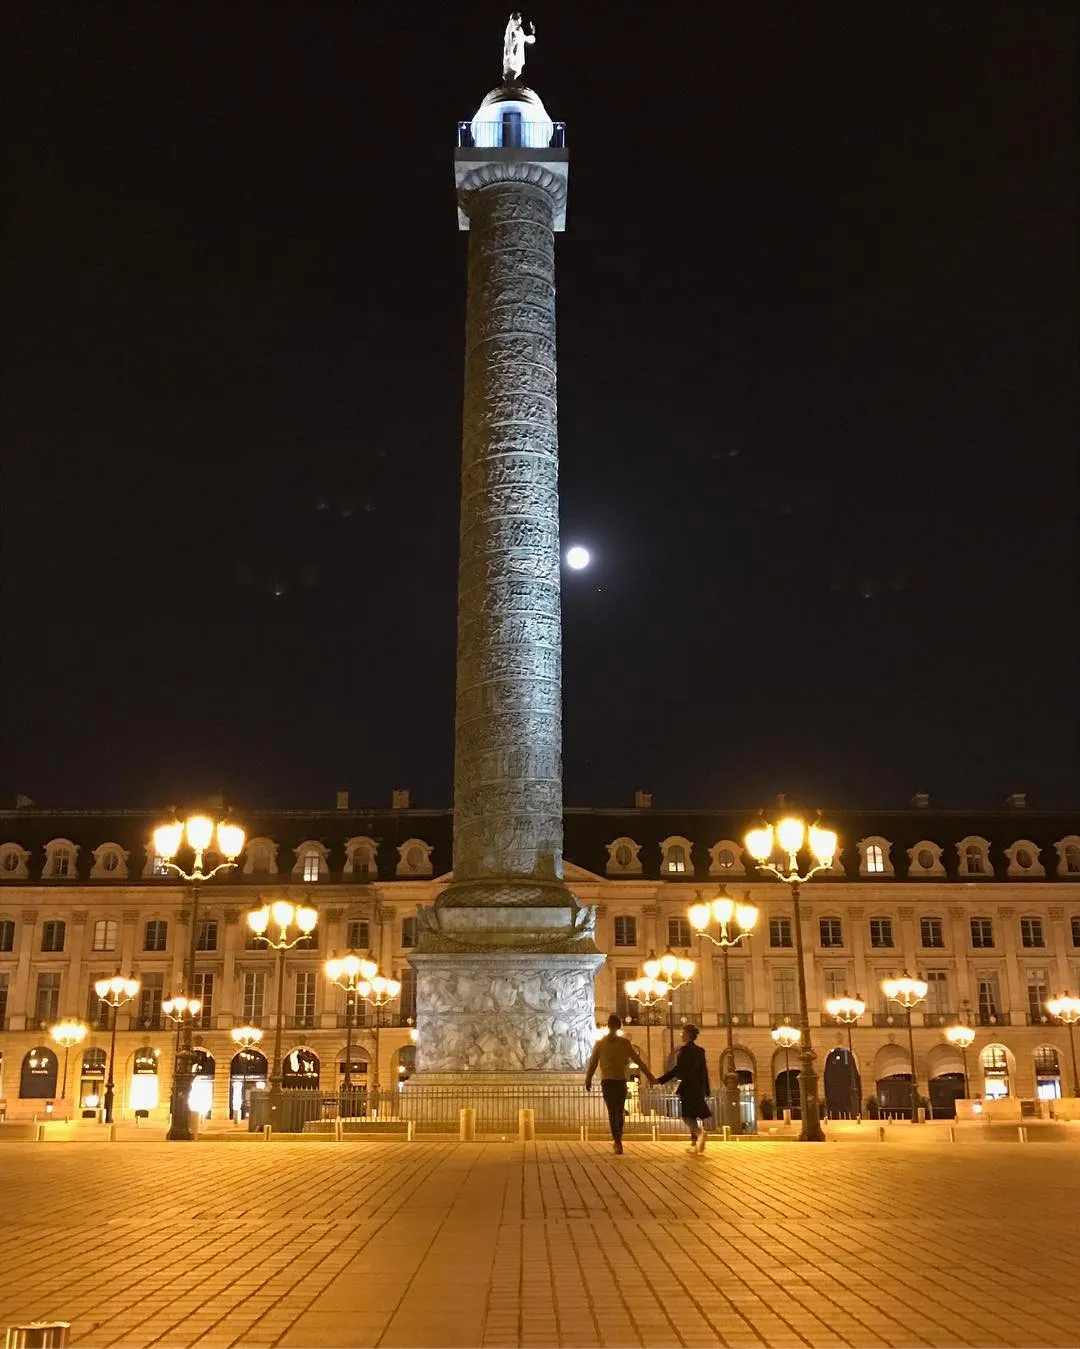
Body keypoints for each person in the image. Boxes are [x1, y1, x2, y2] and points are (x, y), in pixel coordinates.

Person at [585, 1014, 656, 1154]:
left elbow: (593, 1064)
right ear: (619, 1027)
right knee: (619, 1111)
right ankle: (619, 1139)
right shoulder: (624, 1043)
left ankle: (617, 1141)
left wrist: (588, 1079)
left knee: (613, 1112)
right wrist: (650, 1076)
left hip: (607, 1082)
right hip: (620, 1081)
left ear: (608, 1026)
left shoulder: (599, 1044)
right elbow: (638, 1061)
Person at [657, 1024, 712, 1153]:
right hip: (699, 1087)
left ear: (687, 1035)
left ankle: (699, 1134)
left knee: (687, 1116)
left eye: (683, 1033)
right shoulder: (700, 1051)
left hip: (687, 1087)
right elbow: (704, 1071)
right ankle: (694, 1145)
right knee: (694, 1115)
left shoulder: (684, 1051)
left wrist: (660, 1080)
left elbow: (678, 1069)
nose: (681, 1035)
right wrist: (707, 1088)